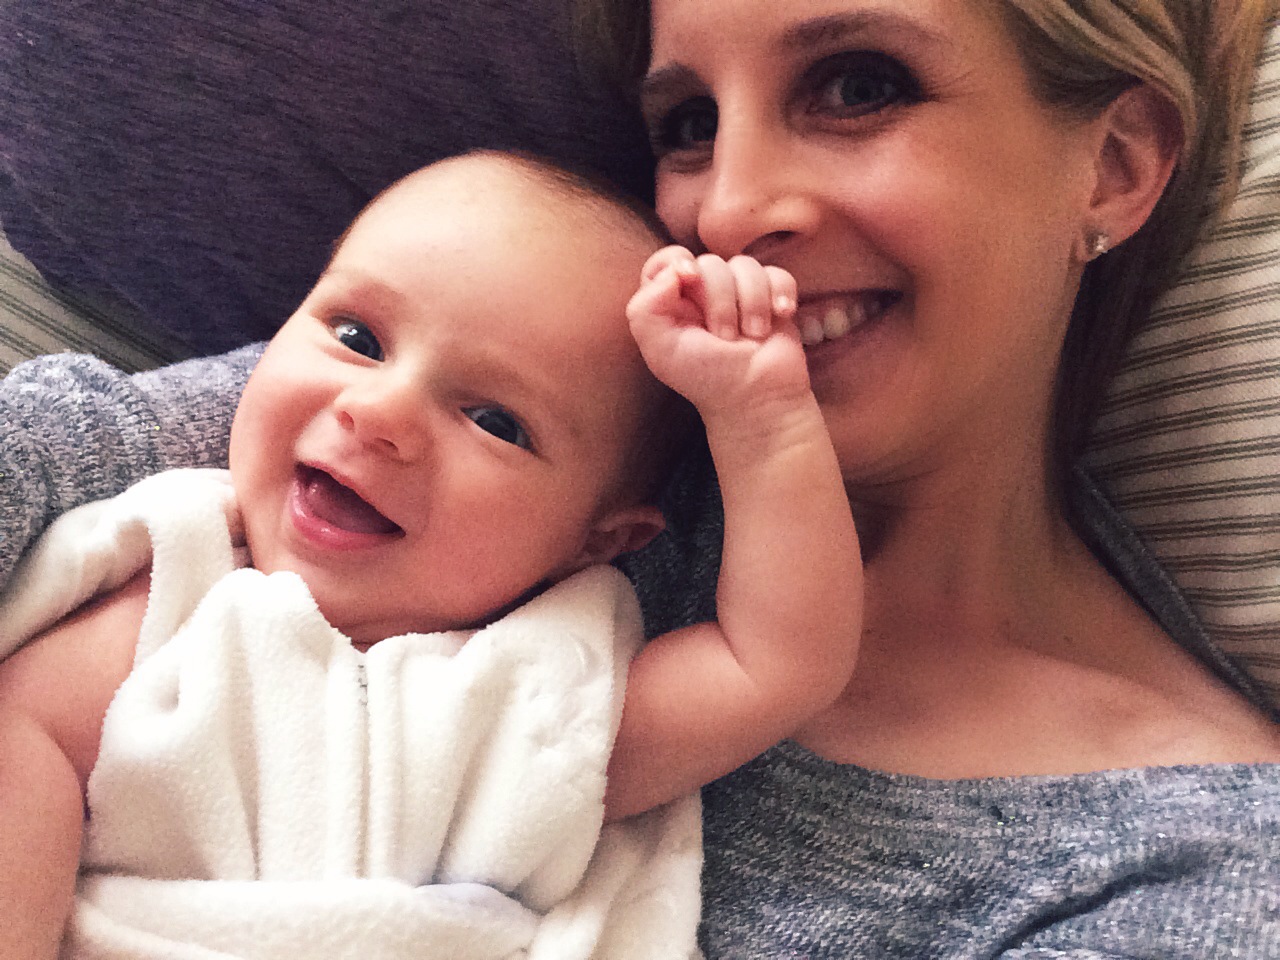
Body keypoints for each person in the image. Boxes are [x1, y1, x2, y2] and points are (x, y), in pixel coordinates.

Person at [1, 1, 1278, 957]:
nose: (724, 211)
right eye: (688, 126)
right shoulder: (537, 373)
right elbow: (70, 448)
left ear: (1113, 165)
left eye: (856, 85)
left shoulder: (1173, 876)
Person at [0, 150, 860, 958]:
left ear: (595, 543)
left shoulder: (543, 701)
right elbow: (19, 740)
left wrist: (764, 417)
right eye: (357, 338)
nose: (381, 413)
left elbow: (781, 661)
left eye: (495, 421)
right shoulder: (176, 598)